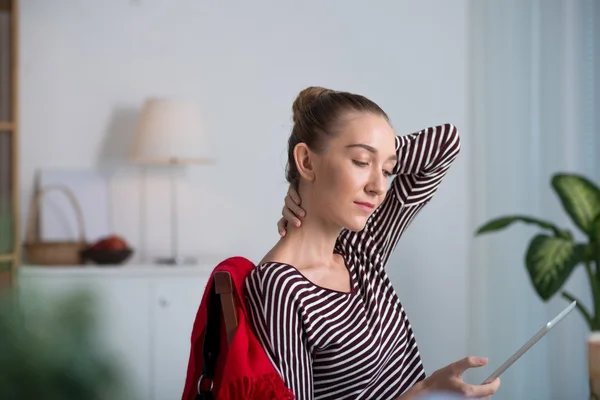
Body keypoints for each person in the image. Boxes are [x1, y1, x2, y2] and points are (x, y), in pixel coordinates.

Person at [243, 86, 500, 400]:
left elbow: (446, 143)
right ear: (306, 162)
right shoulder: (279, 288)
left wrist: (376, 150)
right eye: (361, 161)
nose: (380, 187)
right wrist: (418, 394)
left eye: (388, 170)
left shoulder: (361, 248)